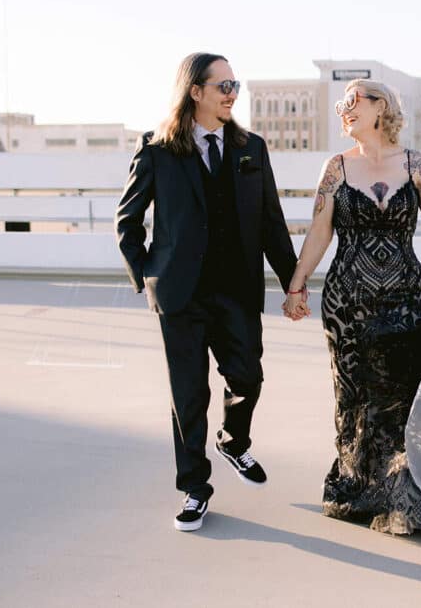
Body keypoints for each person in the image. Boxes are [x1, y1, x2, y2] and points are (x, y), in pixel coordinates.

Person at [282, 79, 421, 535]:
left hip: (405, 301)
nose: (343, 109)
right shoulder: (336, 168)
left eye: (352, 100)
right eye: (340, 104)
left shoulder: (414, 164)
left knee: (404, 399)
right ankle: (362, 489)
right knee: (355, 399)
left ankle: (408, 495)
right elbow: (319, 231)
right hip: (348, 305)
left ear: (380, 106)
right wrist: (296, 286)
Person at [116, 52, 298, 532]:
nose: (232, 93)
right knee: (188, 396)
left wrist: (293, 282)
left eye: (235, 84)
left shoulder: (250, 148)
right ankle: (195, 488)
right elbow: (127, 221)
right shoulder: (156, 150)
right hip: (180, 296)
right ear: (194, 92)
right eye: (223, 85)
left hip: (236, 291)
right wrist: (148, 277)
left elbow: (271, 224)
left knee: (248, 379)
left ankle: (233, 442)